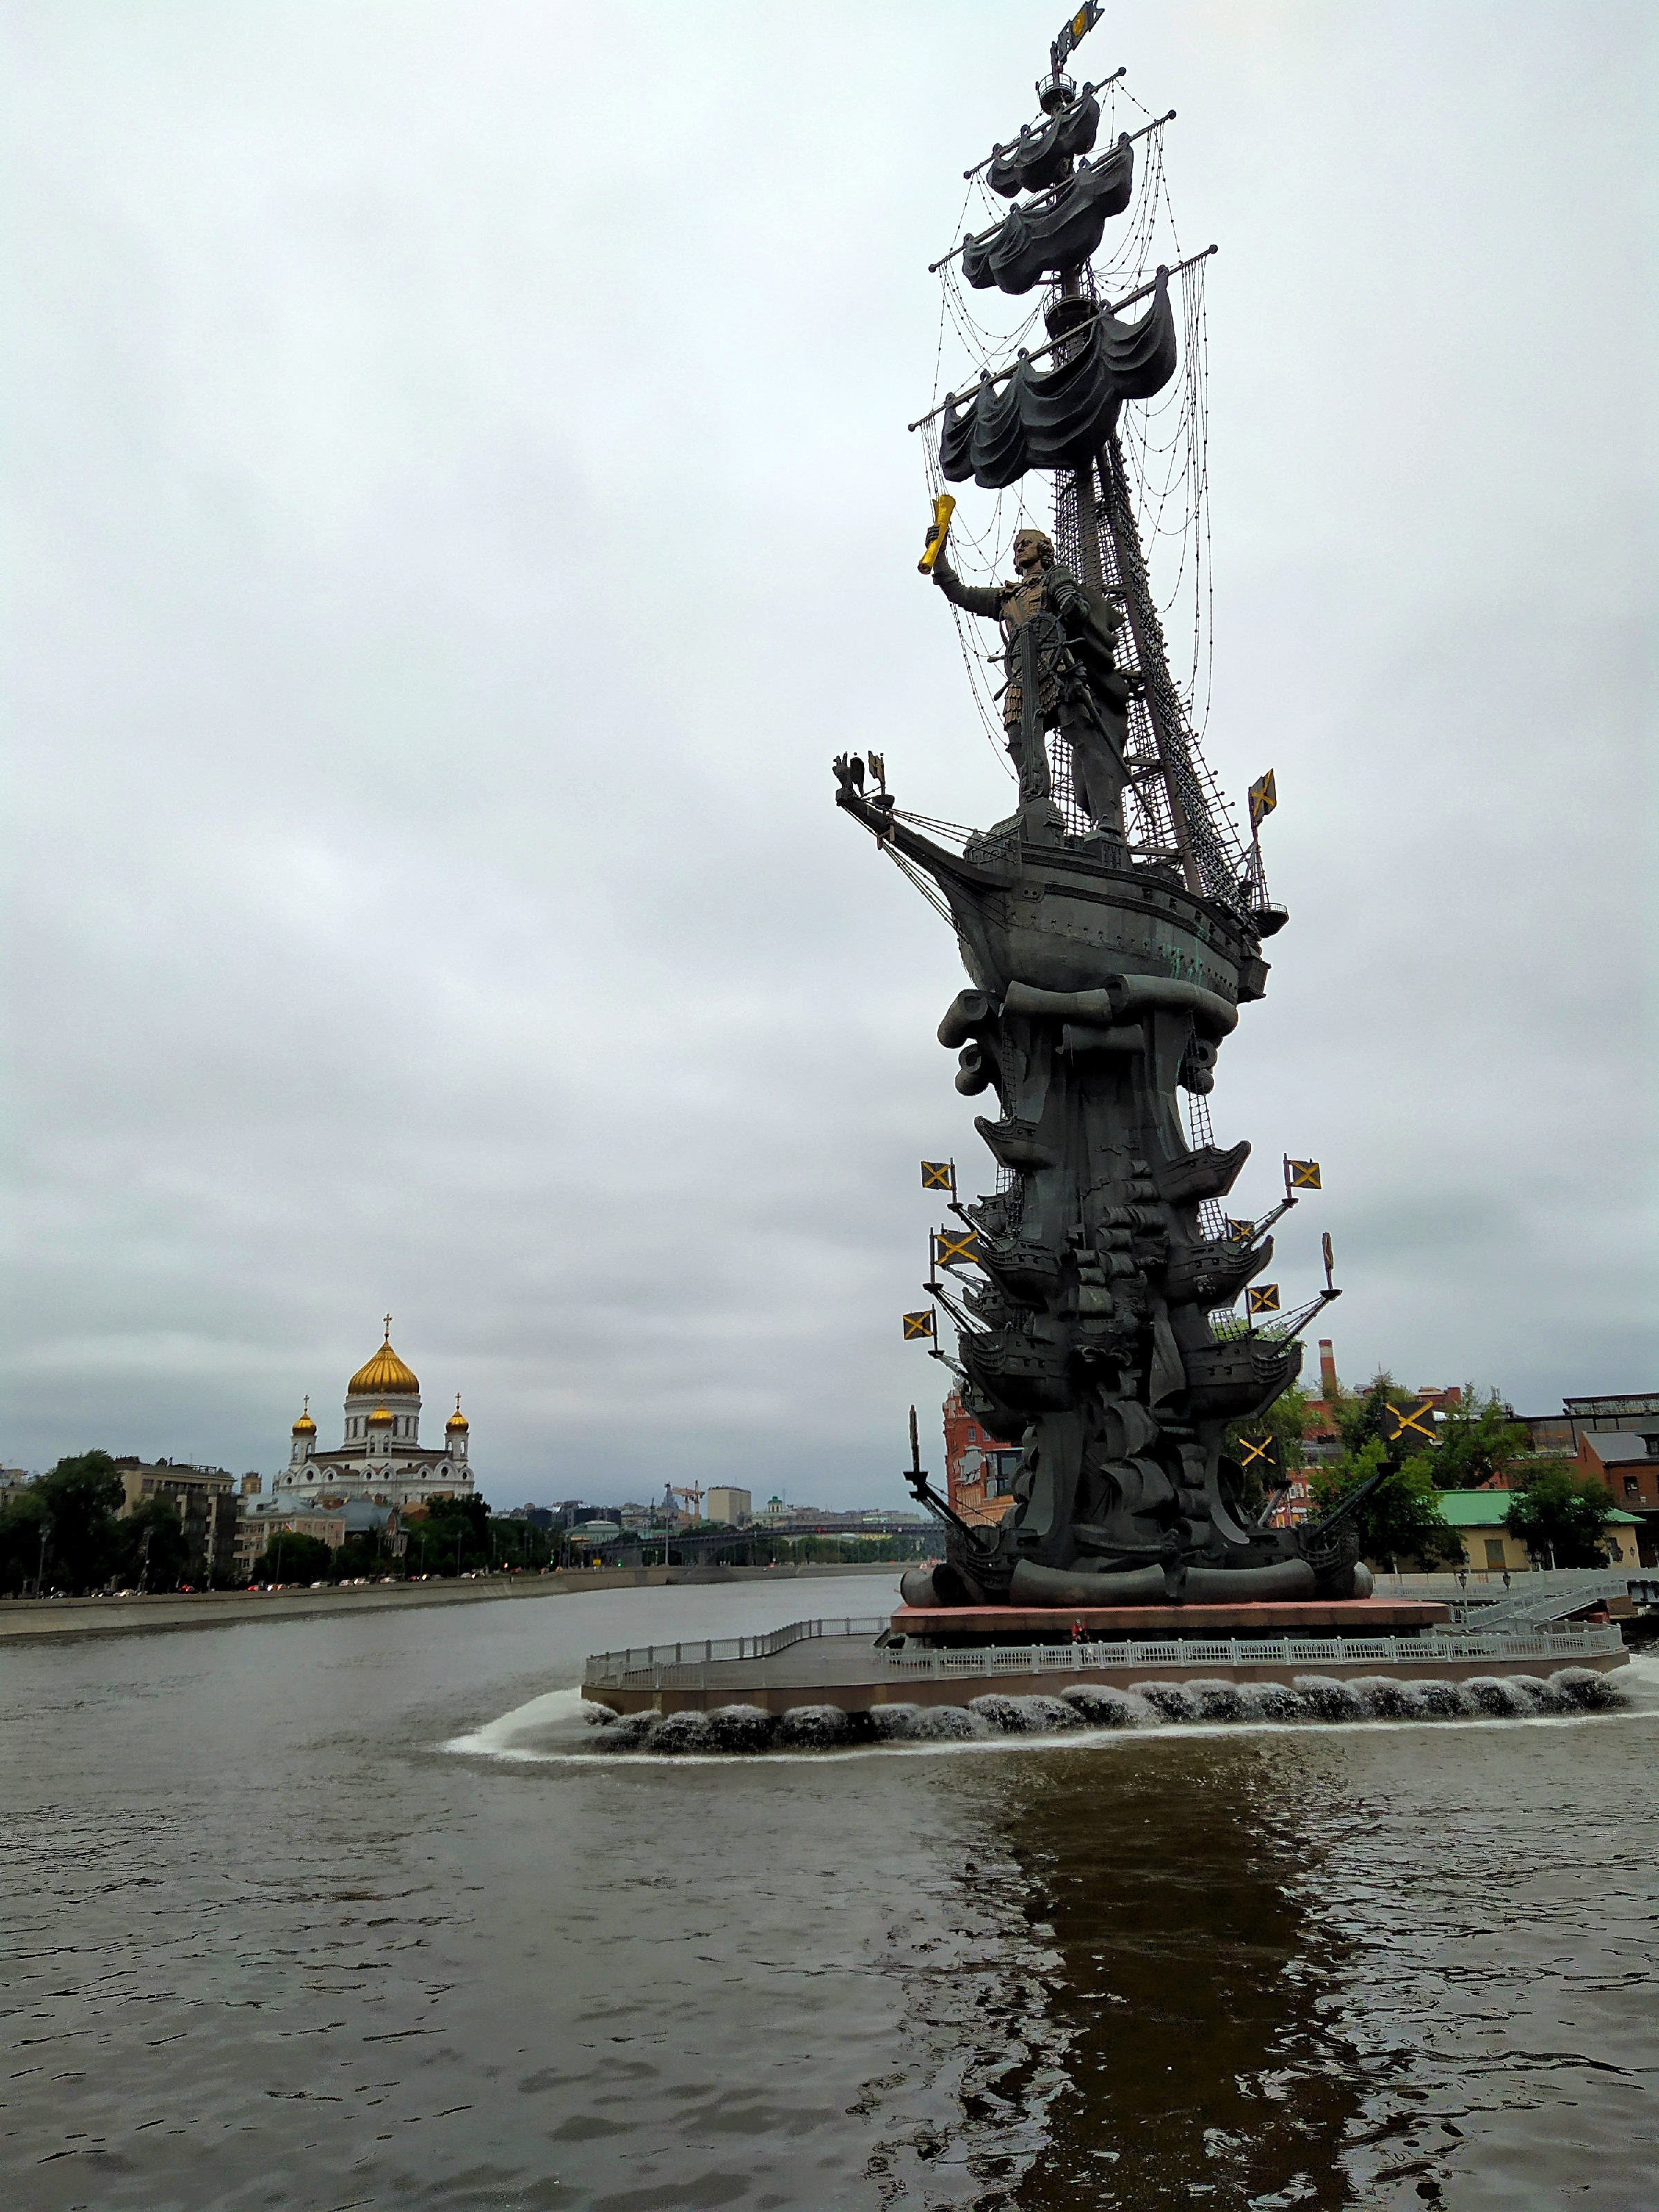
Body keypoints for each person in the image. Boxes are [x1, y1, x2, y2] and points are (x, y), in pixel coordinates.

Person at [927, 523, 1132, 830]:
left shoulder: (1055, 578)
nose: (1020, 547)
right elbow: (961, 593)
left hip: (1058, 668)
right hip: (1023, 677)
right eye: (1017, 544)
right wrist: (940, 556)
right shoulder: (1006, 597)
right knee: (1020, 740)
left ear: (1043, 550)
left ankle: (1107, 818)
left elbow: (1075, 612)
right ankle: (1036, 808)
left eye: (1027, 543)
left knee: (1084, 739)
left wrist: (1068, 600)